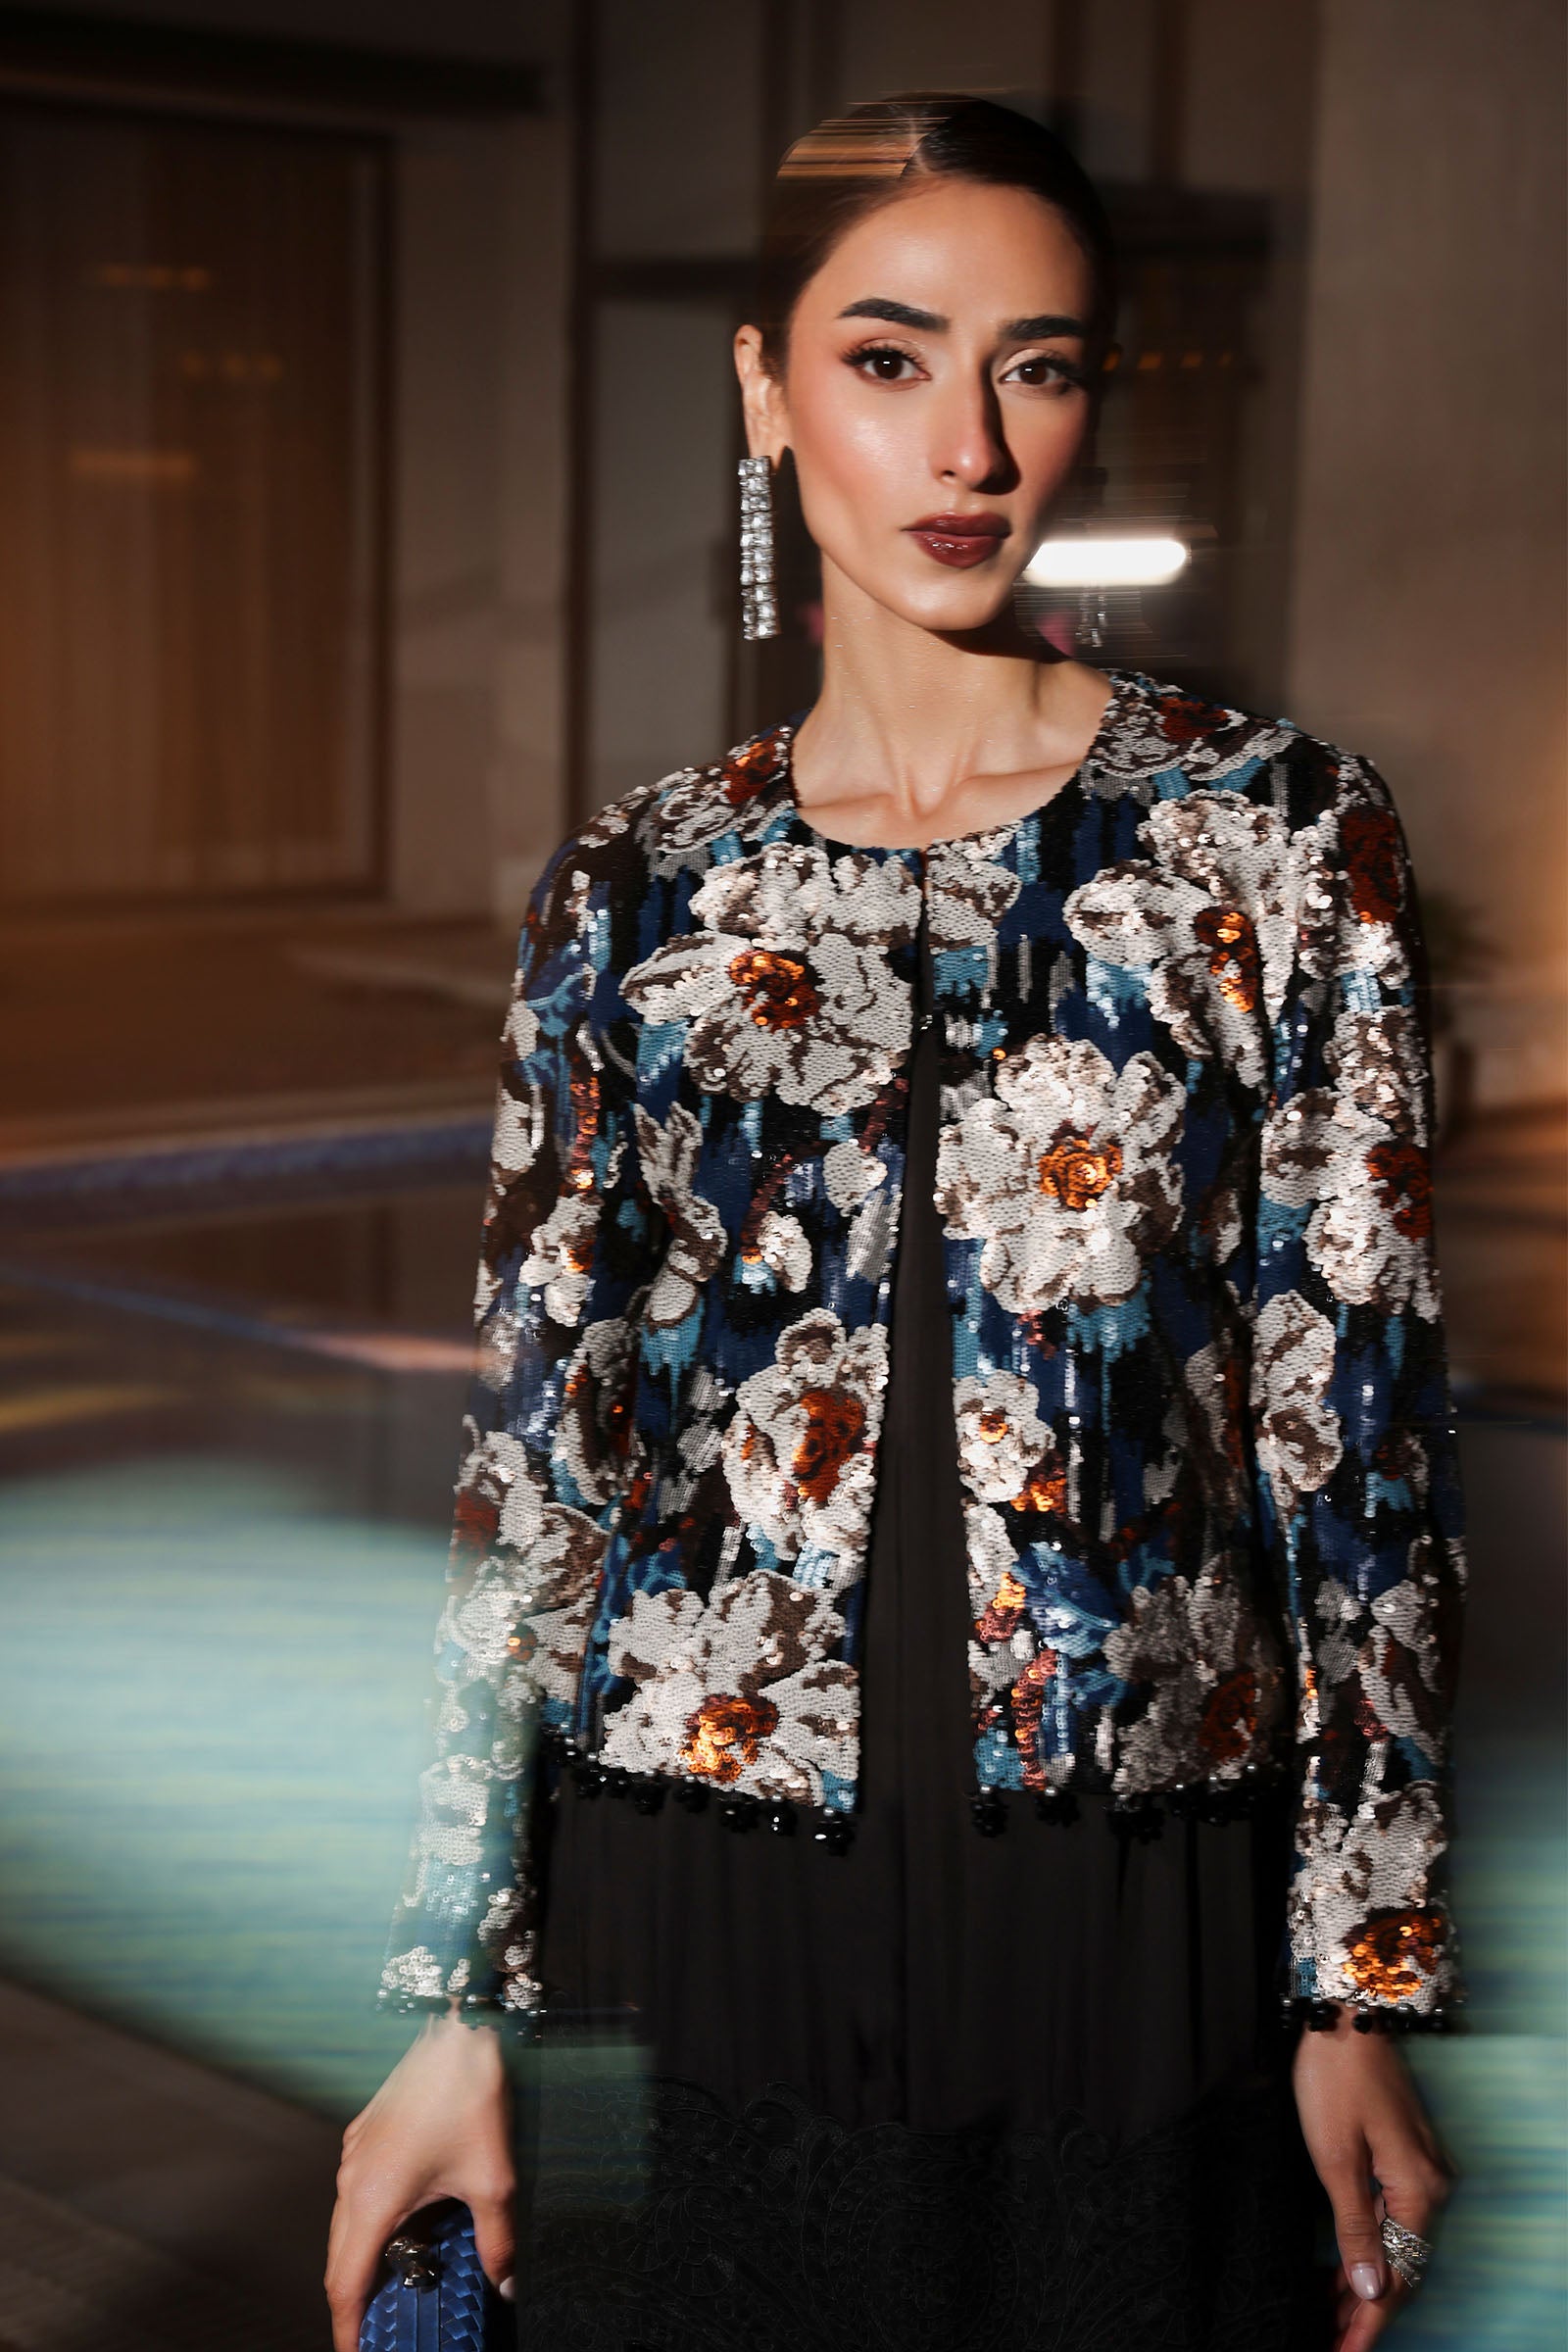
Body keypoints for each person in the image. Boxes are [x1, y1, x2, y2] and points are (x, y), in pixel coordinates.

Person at [326, 93, 1462, 2352]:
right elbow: (537, 1467)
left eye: (1035, 366)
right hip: (715, 1904)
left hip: (1137, 1911)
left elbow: (1356, 1447)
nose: (967, 443)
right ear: (760, 386)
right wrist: (453, 1996)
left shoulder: (1270, 836)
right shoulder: (637, 886)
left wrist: (1358, 1981)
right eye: (885, 357)